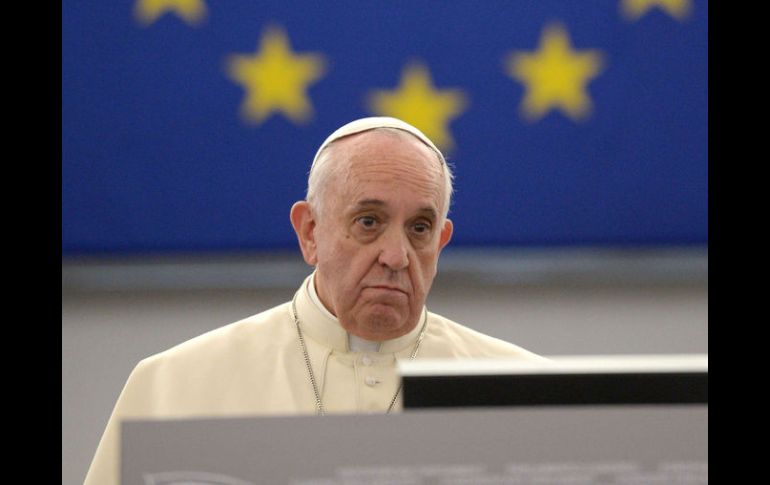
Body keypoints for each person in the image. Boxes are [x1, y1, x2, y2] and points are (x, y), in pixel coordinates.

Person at [83, 116, 545, 484]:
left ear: (440, 242)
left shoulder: (527, 393)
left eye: (419, 229)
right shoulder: (173, 384)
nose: (396, 256)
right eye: (368, 221)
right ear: (310, 233)